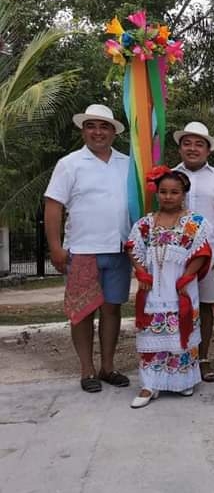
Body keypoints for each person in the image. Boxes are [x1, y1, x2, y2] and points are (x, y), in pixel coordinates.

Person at [44, 104, 131, 393]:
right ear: (84, 130)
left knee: (112, 309)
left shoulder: (127, 163)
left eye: (104, 126)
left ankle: (108, 366)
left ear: (113, 132)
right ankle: (87, 369)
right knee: (82, 312)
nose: (98, 132)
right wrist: (55, 247)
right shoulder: (69, 164)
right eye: (92, 126)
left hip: (119, 249)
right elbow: (53, 206)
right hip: (82, 250)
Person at [126, 167, 212, 408]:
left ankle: (183, 380)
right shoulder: (145, 224)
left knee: (179, 334)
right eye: (163, 191)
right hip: (154, 288)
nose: (168, 196)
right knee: (152, 335)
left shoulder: (194, 222)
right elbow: (133, 247)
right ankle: (148, 384)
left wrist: (188, 276)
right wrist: (141, 271)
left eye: (174, 192)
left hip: (181, 287)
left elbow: (201, 251)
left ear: (183, 193)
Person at [173, 121, 214, 383]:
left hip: (212, 251)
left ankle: (203, 359)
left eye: (199, 144)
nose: (193, 148)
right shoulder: (169, 176)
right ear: (180, 148)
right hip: (176, 253)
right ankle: (179, 357)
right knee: (178, 305)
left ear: (208, 150)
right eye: (187, 143)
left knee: (206, 307)